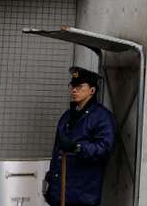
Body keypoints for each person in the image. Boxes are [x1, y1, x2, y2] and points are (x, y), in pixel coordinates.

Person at [44, 67, 116, 206]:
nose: (74, 90)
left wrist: (77, 147)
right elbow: (57, 151)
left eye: (79, 86)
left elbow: (104, 148)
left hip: (83, 193)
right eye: (72, 86)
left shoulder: (102, 117)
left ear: (92, 90)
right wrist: (51, 181)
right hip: (60, 192)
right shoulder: (67, 116)